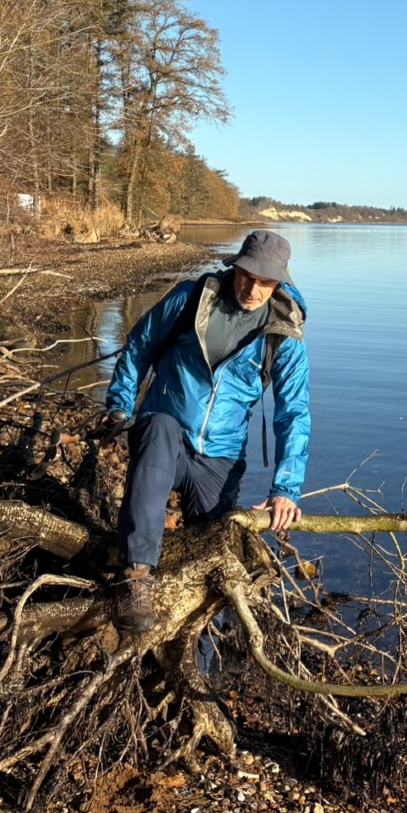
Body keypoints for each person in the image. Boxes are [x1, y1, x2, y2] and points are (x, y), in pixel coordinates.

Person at [103, 230, 310, 632]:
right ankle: (136, 579)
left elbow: (294, 412)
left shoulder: (285, 334)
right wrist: (119, 405)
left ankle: (203, 633)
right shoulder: (190, 299)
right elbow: (140, 346)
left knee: (209, 549)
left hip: (221, 457)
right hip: (165, 435)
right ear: (236, 267)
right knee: (160, 429)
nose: (253, 288)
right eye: (248, 275)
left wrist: (286, 488)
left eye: (266, 281)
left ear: (280, 282)